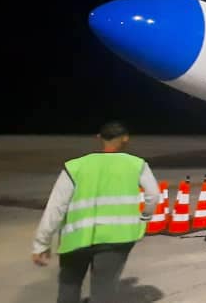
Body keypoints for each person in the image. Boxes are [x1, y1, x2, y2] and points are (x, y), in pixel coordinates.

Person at [32, 121, 160, 303]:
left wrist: (42, 243)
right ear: (125, 139)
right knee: (103, 290)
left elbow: (55, 207)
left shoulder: (75, 166)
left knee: (69, 287)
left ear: (99, 138)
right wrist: (145, 216)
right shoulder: (136, 164)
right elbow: (153, 195)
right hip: (116, 239)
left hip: (76, 239)